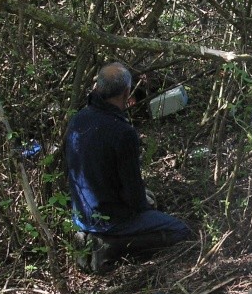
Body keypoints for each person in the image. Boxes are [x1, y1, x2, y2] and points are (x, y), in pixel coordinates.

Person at [64, 62, 192, 273]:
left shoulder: (78, 119)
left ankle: (90, 236)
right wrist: (145, 205)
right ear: (126, 93)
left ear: (97, 88)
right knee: (180, 230)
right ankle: (110, 246)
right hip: (109, 218)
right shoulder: (122, 132)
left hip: (81, 213)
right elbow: (133, 194)